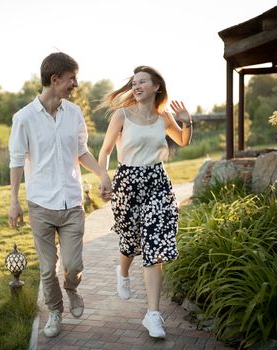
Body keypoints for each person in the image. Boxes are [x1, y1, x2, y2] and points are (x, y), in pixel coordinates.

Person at [8, 52, 112, 338]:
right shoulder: (24, 118)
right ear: (55, 80)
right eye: (71, 78)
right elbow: (16, 161)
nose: (75, 84)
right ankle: (54, 311)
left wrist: (101, 173)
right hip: (40, 204)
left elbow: (81, 151)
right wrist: (14, 201)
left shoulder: (74, 113)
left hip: (71, 202)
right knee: (46, 269)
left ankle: (72, 289)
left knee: (73, 264)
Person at [97, 65, 192, 339]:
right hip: (127, 182)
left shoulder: (163, 117)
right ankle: (123, 272)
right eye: (134, 82)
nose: (136, 86)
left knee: (154, 243)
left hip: (157, 182)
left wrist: (187, 121)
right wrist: (104, 177)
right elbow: (103, 152)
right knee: (130, 241)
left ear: (156, 87)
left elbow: (183, 141)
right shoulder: (122, 115)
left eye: (142, 82)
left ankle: (153, 315)